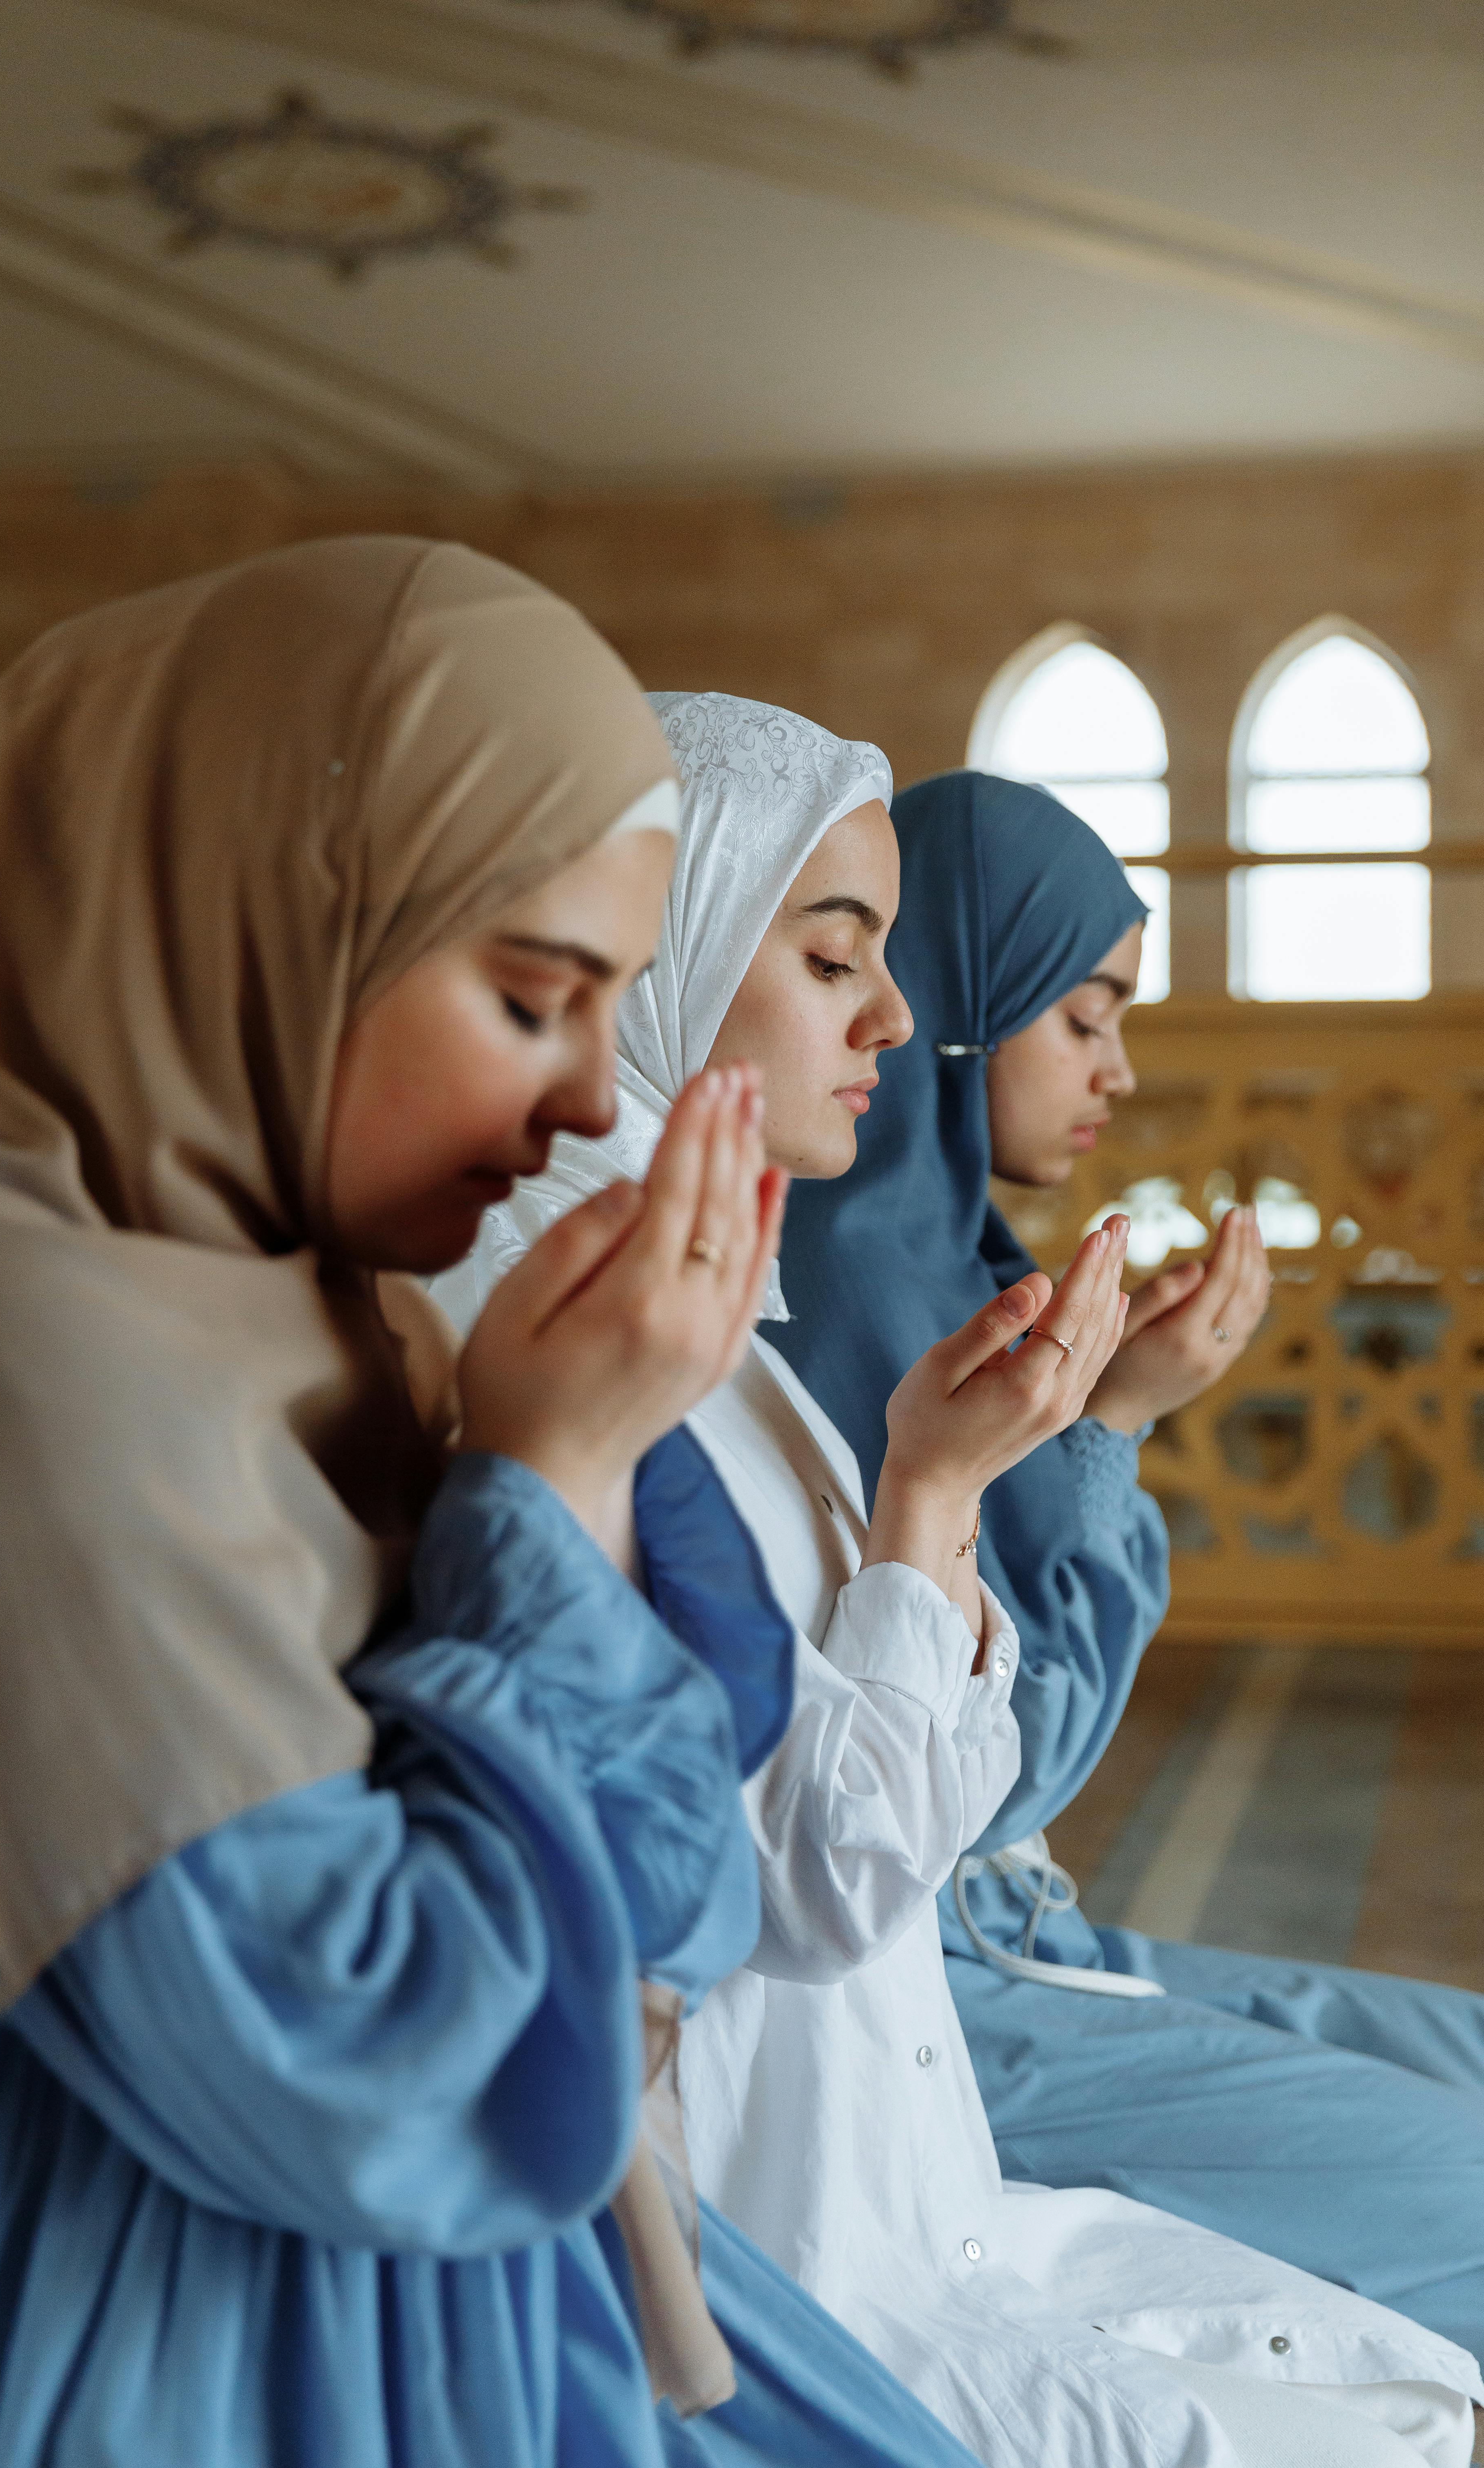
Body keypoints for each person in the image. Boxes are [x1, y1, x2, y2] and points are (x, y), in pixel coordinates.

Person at [0, 544, 981, 2468]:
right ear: (268, 919)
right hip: (147, 2347)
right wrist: (548, 1483)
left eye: (617, 1009)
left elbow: (670, 1897)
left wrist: (572, 1459)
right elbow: (411, 2067)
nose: (583, 1104)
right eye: (535, 1000)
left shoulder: (294, 1292)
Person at [439, 692, 1484, 2468]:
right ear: (663, 943)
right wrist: (1023, 1463)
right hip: (866, 2104)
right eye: (841, 952)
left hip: (920, 2053)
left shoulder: (750, 1322)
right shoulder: (611, 1327)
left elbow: (915, 1792)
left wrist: (998, 1466)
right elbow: (823, 1872)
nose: (900, 1014)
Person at [770, 768, 1484, 2370]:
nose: (1117, 1070)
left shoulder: (944, 1251)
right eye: (1082, 1016)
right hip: (934, 1986)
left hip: (1022, 1931)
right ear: (968, 1004)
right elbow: (1008, 1776)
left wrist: (1108, 1419)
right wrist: (1114, 1427)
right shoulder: (848, 1296)